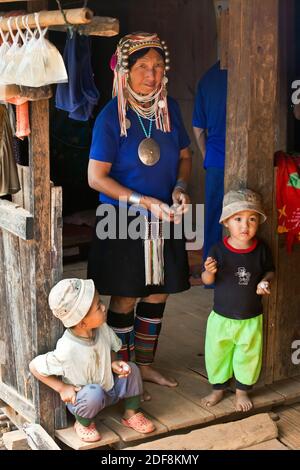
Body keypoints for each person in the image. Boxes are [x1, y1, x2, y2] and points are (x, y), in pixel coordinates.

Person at [87, 32, 192, 392]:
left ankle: (144, 366)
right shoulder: (110, 117)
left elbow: (183, 156)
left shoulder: (170, 109)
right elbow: (96, 178)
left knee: (157, 292)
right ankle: (123, 372)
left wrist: (180, 187)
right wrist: (141, 201)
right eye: (143, 66)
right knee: (125, 293)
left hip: (165, 215)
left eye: (158, 66)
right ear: (125, 71)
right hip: (122, 218)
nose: (152, 74)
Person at [29, 278, 155, 443]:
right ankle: (83, 423)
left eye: (100, 302)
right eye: (98, 307)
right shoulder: (67, 348)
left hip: (109, 390)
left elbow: (110, 348)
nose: (103, 307)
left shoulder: (102, 328)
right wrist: (62, 388)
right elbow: (34, 366)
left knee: (132, 369)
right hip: (85, 398)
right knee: (93, 392)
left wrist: (114, 363)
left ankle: (130, 414)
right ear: (82, 322)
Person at [201, 189, 275, 412]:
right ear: (226, 222)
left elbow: (270, 271)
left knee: (248, 355)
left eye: (252, 219)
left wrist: (265, 281)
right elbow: (207, 280)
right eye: (238, 219)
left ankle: (242, 391)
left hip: (250, 319)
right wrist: (209, 271)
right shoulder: (218, 250)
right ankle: (218, 389)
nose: (245, 225)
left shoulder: (261, 249)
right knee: (217, 353)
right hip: (221, 317)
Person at [192, 61, 228, 265]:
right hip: (252, 156)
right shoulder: (253, 68)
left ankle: (211, 272)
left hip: (216, 158)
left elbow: (198, 127)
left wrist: (207, 154)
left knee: (214, 215)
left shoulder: (208, 78)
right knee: (247, 216)